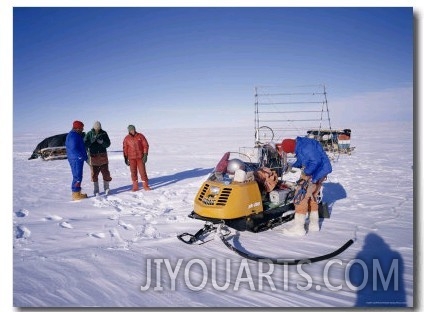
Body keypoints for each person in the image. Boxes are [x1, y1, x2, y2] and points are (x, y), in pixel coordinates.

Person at [279, 137, 332, 236]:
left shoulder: (305, 147)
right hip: (320, 171)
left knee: (300, 197)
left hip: (317, 172)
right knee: (312, 197)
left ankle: (299, 229)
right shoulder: (301, 145)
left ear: (291, 147)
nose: (291, 153)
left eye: (290, 151)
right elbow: (302, 160)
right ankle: (314, 225)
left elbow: (315, 162)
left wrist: (305, 173)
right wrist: (294, 167)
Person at [84, 121, 112, 195]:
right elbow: (85, 144)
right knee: (94, 174)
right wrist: (91, 141)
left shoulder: (104, 133)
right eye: (96, 128)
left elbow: (108, 144)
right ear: (94, 127)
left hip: (103, 156)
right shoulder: (89, 134)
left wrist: (102, 142)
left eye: (98, 128)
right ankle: (96, 190)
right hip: (93, 156)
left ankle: (107, 188)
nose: (97, 130)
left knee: (106, 173)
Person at [122, 125, 151, 191]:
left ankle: (145, 185)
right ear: (129, 131)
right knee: (133, 172)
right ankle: (135, 186)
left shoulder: (140, 136)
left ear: (135, 129)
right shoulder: (126, 138)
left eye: (133, 129)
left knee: (142, 172)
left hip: (140, 157)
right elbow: (125, 149)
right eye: (131, 130)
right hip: (131, 158)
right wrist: (126, 158)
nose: (132, 131)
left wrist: (145, 155)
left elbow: (145, 145)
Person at [65, 120, 88, 201]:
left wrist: (84, 157)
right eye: (82, 128)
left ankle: (77, 192)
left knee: (78, 175)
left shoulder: (74, 135)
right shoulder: (73, 136)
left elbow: (79, 147)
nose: (83, 129)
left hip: (76, 158)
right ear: (78, 128)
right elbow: (73, 147)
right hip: (76, 159)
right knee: (77, 176)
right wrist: (80, 156)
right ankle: (76, 195)